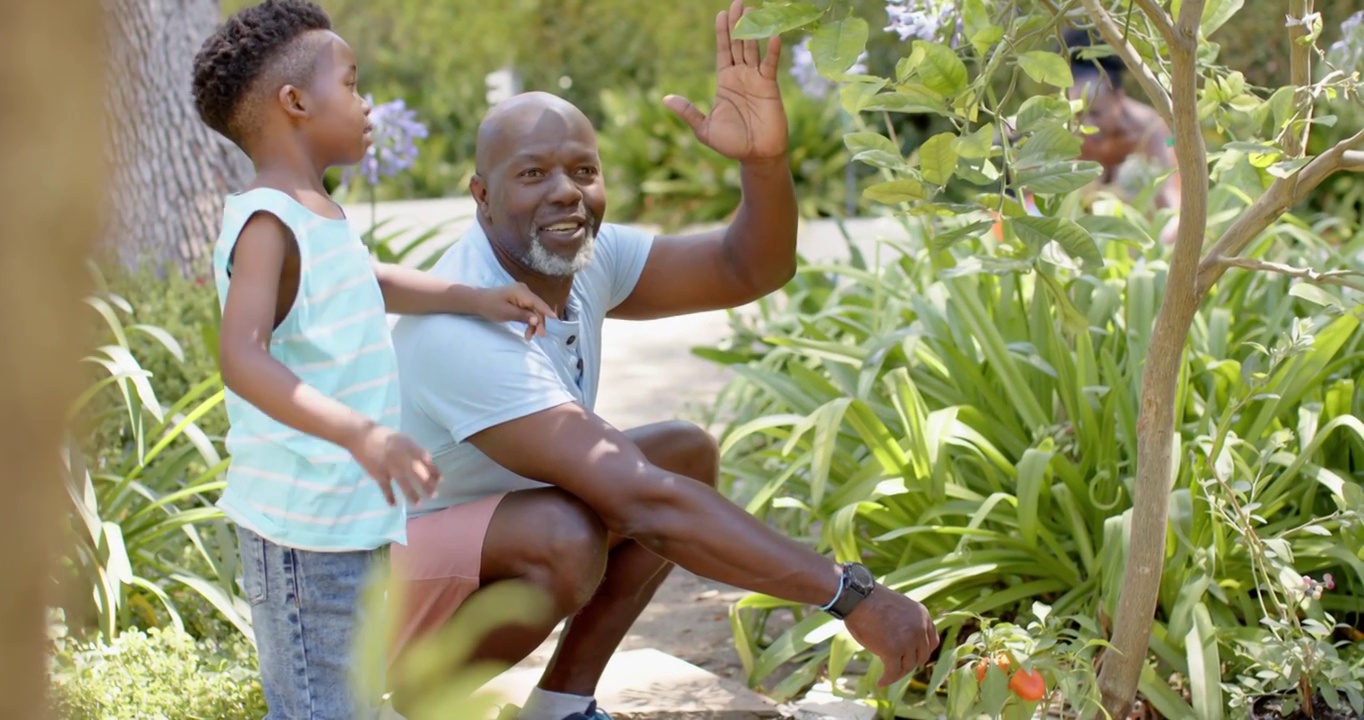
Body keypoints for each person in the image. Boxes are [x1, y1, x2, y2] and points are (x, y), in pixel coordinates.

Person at [386, 3, 940, 719]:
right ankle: (408, 707)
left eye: (583, 170)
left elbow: (749, 268)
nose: (565, 191)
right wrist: (849, 593)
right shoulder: (465, 325)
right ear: (482, 197)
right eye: (532, 174)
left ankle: (561, 706)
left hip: (473, 542)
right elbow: (640, 499)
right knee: (568, 534)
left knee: (680, 452)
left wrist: (763, 163)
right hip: (376, 593)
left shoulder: (583, 259)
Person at [190, 2, 552, 717]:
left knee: (347, 699)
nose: (367, 106)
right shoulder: (268, 221)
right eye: (353, 85)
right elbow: (242, 356)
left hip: (350, 517)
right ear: (295, 102)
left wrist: (475, 298)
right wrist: (360, 432)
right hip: (302, 529)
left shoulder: (315, 211)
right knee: (321, 707)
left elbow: (367, 279)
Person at [1063, 28, 1182, 243]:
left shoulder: (1152, 129)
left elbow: (1173, 207)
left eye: (1096, 113)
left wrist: (1153, 250)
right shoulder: (1067, 131)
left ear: (1118, 97)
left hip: (1142, 243)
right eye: (1078, 114)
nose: (1086, 124)